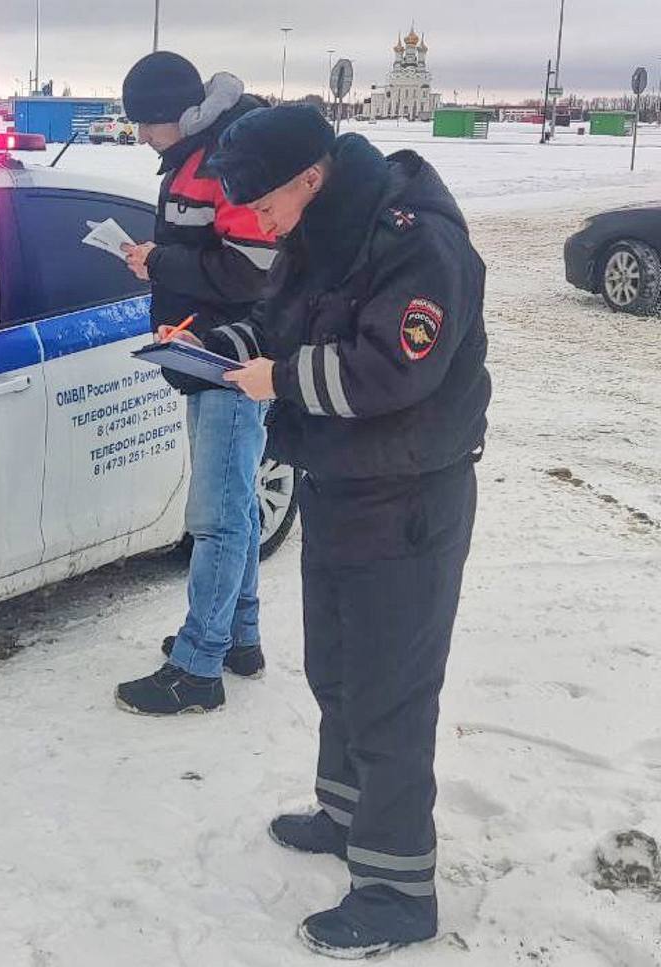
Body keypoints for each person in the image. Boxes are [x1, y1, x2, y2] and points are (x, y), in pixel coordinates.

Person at [208, 105, 491, 957]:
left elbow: (391, 368)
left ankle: (398, 891)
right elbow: (290, 315)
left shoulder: (412, 236)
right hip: (344, 482)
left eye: (260, 206)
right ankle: (345, 813)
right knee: (335, 665)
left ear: (309, 175)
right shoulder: (327, 224)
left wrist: (281, 378)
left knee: (390, 693)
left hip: (406, 499)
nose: (254, 224)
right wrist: (227, 344)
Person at [112, 52, 278, 717]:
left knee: (214, 515)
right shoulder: (194, 155)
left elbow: (250, 270)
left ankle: (199, 666)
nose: (143, 137)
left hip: (231, 355)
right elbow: (201, 252)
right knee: (232, 505)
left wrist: (161, 262)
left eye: (148, 125)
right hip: (198, 349)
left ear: (180, 115)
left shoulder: (228, 163)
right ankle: (238, 637)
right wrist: (156, 266)